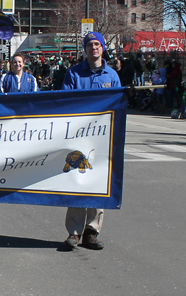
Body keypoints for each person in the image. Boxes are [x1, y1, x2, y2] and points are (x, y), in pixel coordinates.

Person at [62, 31, 121, 250]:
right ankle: (74, 233)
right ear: (85, 49)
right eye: (90, 45)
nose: (94, 48)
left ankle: (92, 232)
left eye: (97, 44)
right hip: (79, 138)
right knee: (78, 183)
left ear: (102, 48)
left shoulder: (112, 76)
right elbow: (67, 103)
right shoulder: (74, 73)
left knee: (98, 185)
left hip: (103, 140)